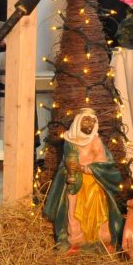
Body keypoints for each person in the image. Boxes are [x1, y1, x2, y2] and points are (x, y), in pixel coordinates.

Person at [42, 108, 124, 254]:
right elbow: (68, 161)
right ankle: (75, 239)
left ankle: (101, 238)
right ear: (78, 122)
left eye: (93, 122)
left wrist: (83, 168)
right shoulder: (69, 140)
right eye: (86, 121)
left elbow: (101, 163)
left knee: (98, 205)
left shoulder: (96, 140)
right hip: (75, 181)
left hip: (94, 180)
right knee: (72, 207)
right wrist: (71, 168)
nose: (90, 124)